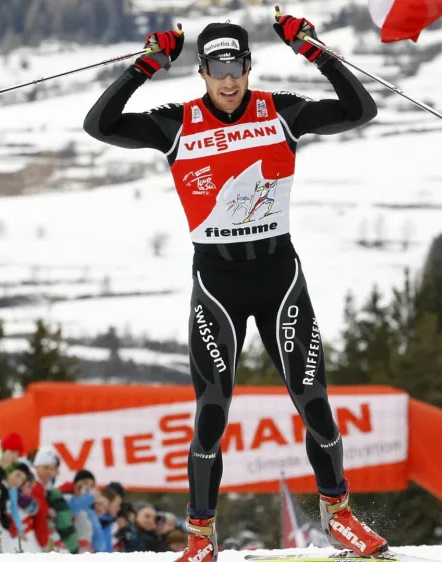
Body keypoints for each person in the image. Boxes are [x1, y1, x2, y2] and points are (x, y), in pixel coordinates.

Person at [83, 11, 386, 562]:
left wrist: (314, 52)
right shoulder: (177, 122)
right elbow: (99, 125)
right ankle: (201, 535)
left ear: (249, 67)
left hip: (278, 279)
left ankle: (338, 517)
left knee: (313, 400)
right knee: (212, 410)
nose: (228, 79)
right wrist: (144, 66)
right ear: (202, 71)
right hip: (217, 283)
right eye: (217, 67)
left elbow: (361, 110)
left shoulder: (282, 111)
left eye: (237, 66)